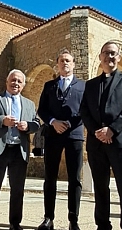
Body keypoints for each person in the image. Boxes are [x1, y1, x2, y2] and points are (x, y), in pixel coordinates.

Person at [80, 41, 122, 230]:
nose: (109, 57)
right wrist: (97, 132)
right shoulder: (90, 85)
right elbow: (84, 111)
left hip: (121, 140)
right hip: (96, 142)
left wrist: (111, 130)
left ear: (119, 57)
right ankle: (103, 225)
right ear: (100, 57)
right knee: (100, 187)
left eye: (113, 53)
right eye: (106, 53)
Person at [0, 69, 40, 230]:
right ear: (6, 82)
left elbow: (36, 123)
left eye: (19, 81)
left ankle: (15, 223)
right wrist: (2, 120)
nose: (16, 83)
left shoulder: (29, 104)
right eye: (13, 80)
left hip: (19, 151)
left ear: (23, 85)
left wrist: (28, 126)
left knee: (18, 190)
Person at [37, 49, 85, 230]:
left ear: (73, 64)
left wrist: (69, 124)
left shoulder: (83, 86)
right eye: (62, 60)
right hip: (53, 135)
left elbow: (85, 110)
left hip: (74, 136)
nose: (65, 63)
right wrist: (53, 122)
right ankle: (48, 218)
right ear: (57, 64)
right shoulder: (49, 85)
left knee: (75, 178)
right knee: (50, 177)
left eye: (68, 60)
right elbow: (42, 109)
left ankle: (74, 220)